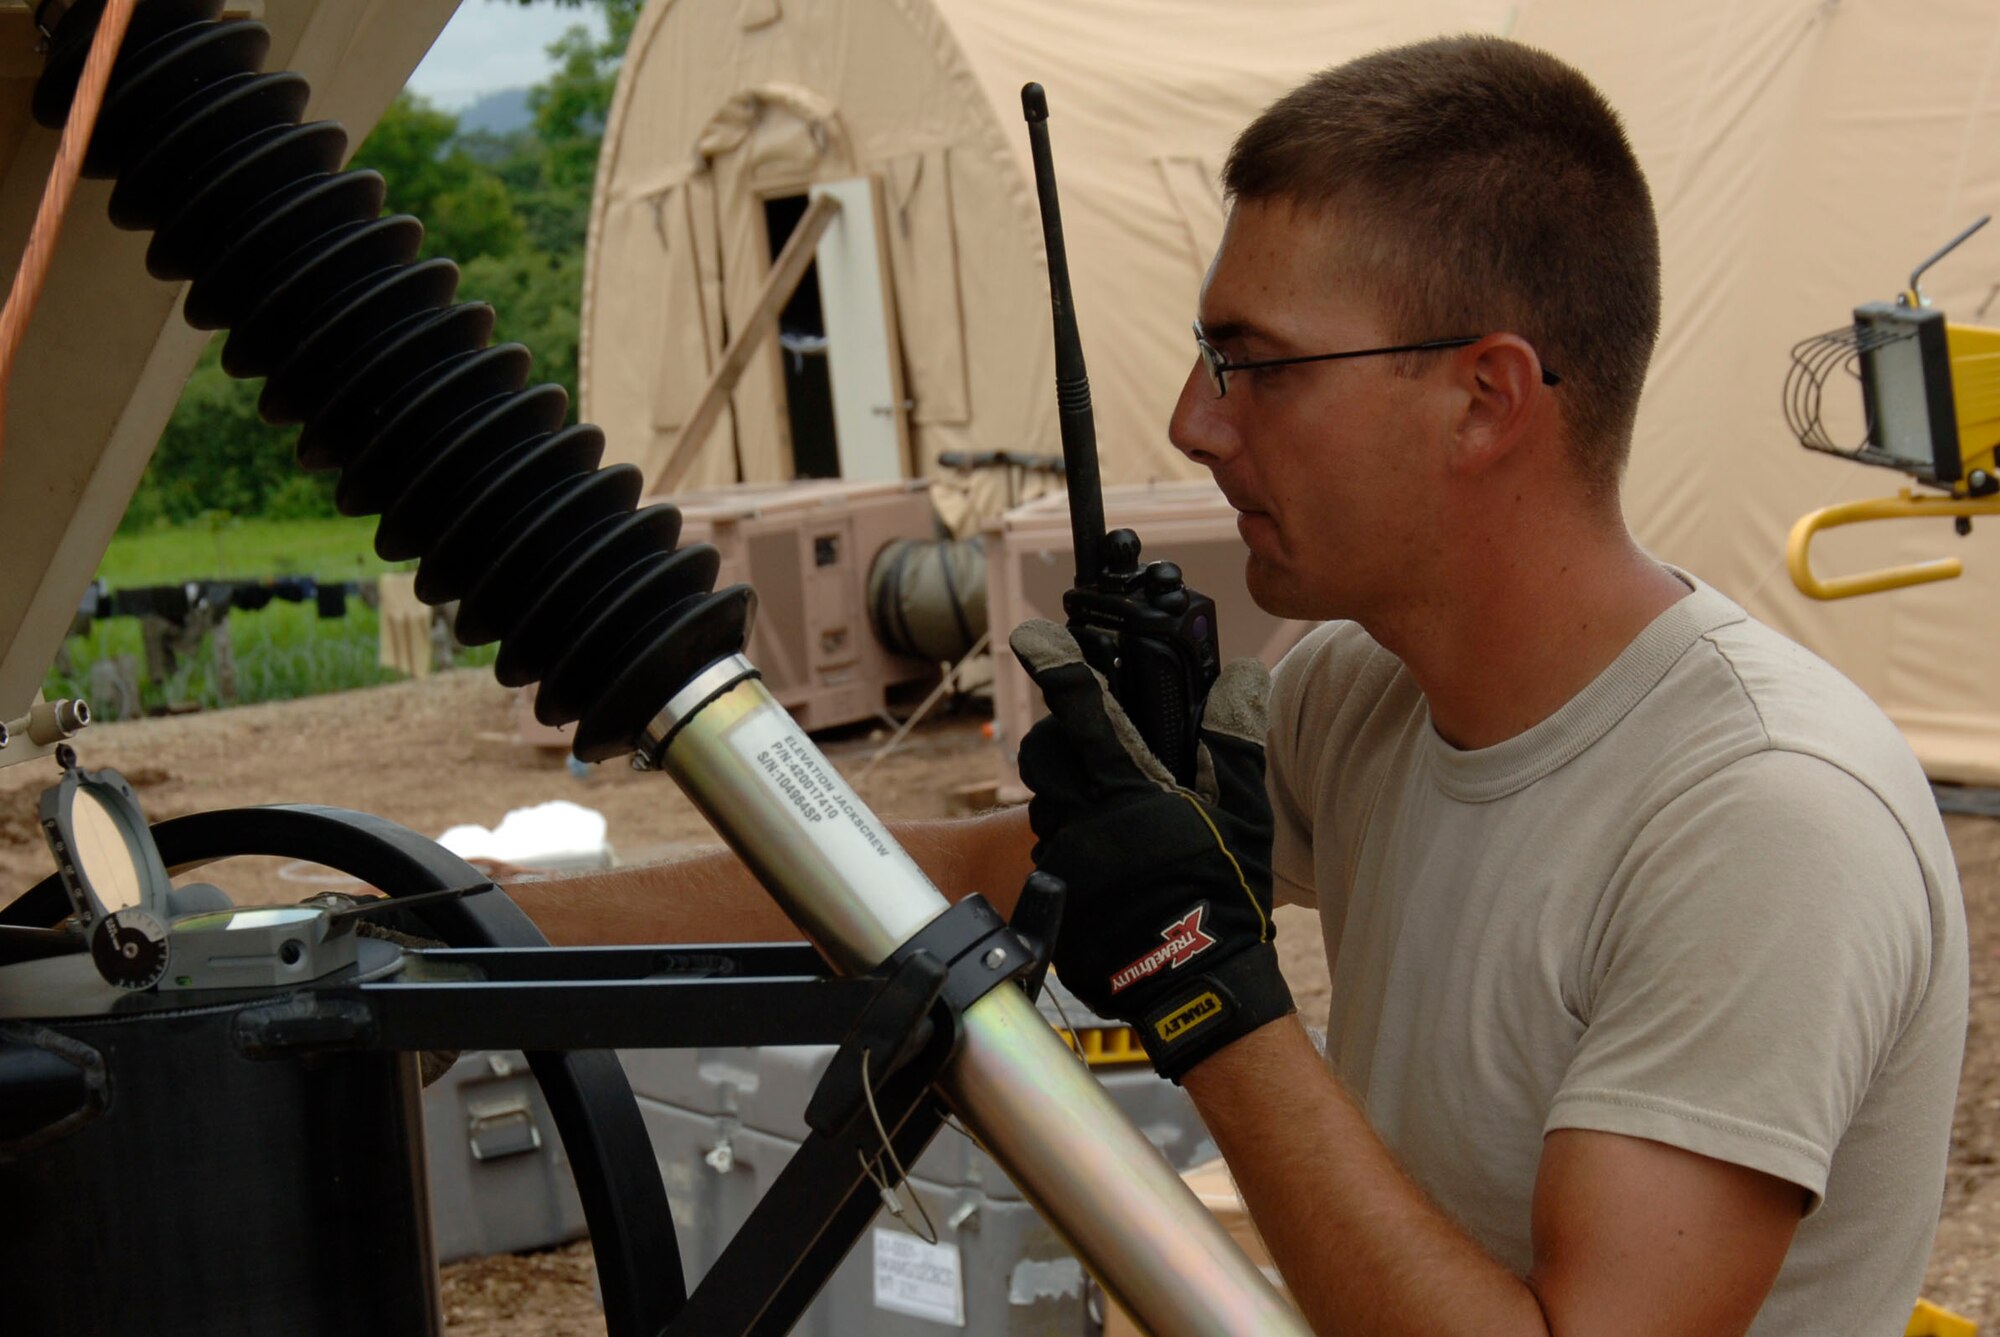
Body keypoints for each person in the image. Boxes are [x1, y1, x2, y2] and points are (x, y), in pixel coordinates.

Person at [514, 35, 1968, 1337]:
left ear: (1487, 395)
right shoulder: (1358, 694)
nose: (1193, 421)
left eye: (1254, 364)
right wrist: (457, 931)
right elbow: (962, 883)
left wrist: (1206, 993)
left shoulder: (1765, 818)